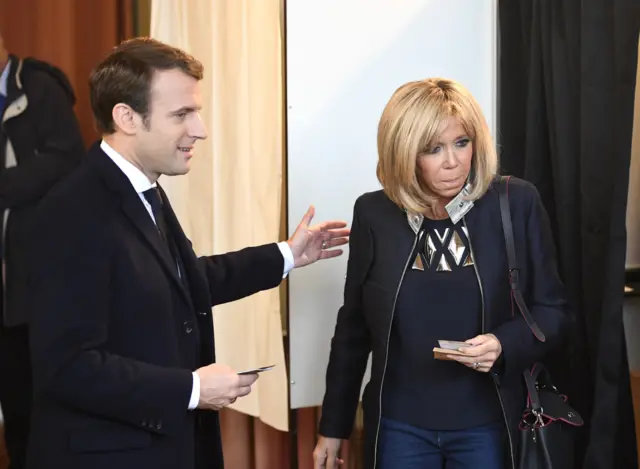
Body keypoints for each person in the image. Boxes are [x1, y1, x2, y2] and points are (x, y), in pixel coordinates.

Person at [25, 37, 349, 469]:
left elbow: (179, 281)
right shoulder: (71, 211)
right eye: (182, 114)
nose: (200, 129)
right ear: (126, 118)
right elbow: (67, 367)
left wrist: (287, 255)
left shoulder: (143, 189)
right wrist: (192, 389)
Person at [313, 78, 569, 469]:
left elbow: (552, 311)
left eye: (461, 143)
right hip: (399, 428)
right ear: (403, 152)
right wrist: (334, 427)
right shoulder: (374, 214)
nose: (453, 162)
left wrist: (503, 344)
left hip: (487, 424)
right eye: (433, 149)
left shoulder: (516, 203)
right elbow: (354, 328)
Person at [0, 28, 84, 469]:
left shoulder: (37, 87)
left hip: (34, 284)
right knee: (14, 412)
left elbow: (67, 160)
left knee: (38, 407)